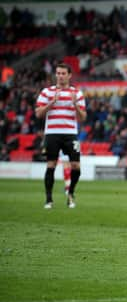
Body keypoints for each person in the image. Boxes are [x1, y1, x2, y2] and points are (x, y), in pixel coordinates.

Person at [35, 63, 86, 209]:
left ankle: (70, 194)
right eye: (58, 73)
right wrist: (52, 103)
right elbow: (38, 113)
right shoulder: (47, 92)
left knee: (76, 166)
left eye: (63, 73)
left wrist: (75, 105)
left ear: (69, 75)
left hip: (70, 134)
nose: (60, 76)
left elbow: (83, 117)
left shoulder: (77, 93)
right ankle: (48, 199)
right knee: (51, 165)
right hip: (52, 133)